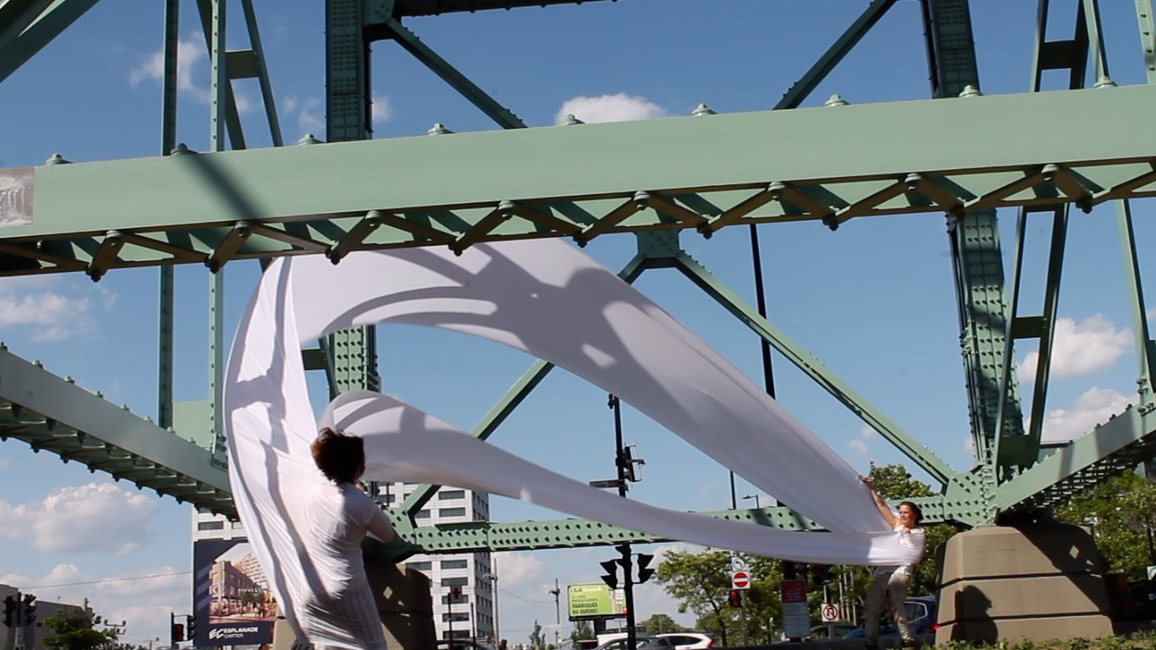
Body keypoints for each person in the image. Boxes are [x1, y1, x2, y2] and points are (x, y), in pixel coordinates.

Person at [303, 427, 397, 650]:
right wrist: (363, 496)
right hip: (348, 587)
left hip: (312, 588)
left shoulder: (308, 495)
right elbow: (387, 535)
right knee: (373, 646)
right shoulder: (359, 500)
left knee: (328, 647)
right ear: (357, 466)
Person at [860, 475, 926, 649]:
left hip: (901, 571)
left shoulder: (919, 532)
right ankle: (870, 642)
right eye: (901, 512)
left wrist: (907, 534)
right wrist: (871, 487)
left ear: (914, 514)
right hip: (884, 570)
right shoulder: (897, 524)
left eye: (906, 512)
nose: (902, 514)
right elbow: (881, 505)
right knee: (871, 607)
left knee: (895, 603)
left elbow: (915, 554)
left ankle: (907, 639)